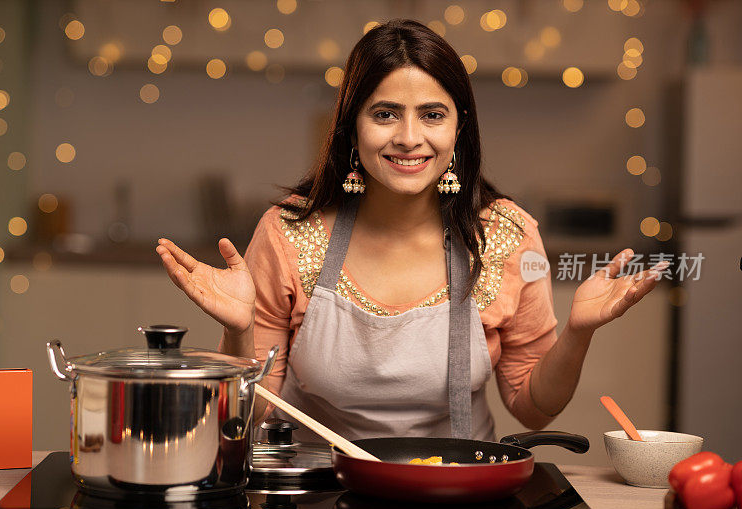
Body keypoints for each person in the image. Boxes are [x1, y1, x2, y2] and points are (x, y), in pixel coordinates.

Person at [156, 19, 667, 443]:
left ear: (457, 127)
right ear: (351, 128)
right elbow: (251, 416)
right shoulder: (289, 232)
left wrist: (578, 333)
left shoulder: (506, 237)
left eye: (432, 115)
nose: (409, 138)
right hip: (314, 495)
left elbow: (533, 409)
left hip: (457, 494)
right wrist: (239, 329)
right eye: (384, 114)